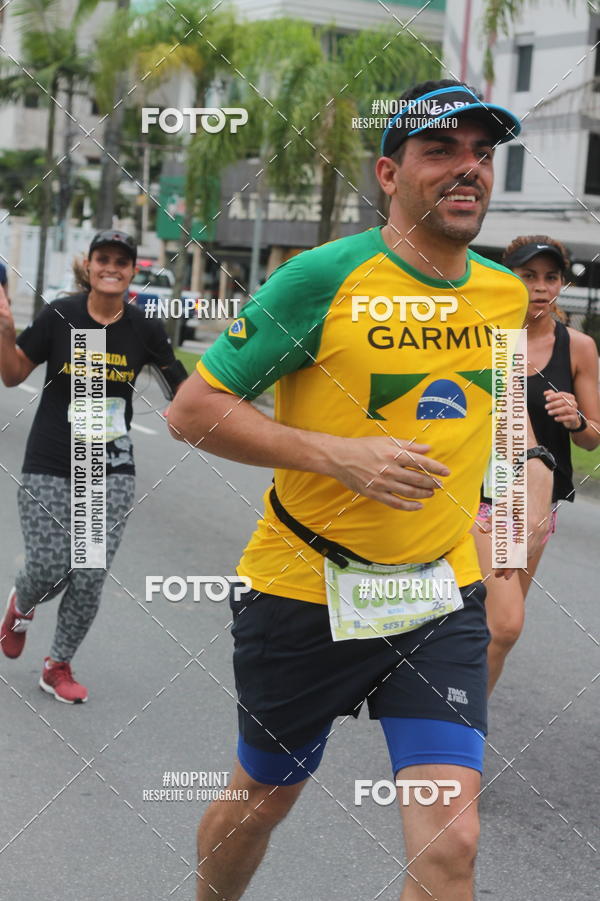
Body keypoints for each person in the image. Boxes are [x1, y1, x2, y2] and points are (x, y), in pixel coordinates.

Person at [168, 79, 553, 901]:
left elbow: (501, 426)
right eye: (440, 150)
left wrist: (512, 531)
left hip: (437, 596)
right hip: (305, 590)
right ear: (388, 171)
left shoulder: (504, 293)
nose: (468, 169)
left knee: (453, 842)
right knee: (263, 799)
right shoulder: (320, 278)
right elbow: (192, 410)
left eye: (482, 153)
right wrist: (338, 456)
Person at [0, 230, 186, 702]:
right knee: (46, 566)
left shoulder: (144, 328)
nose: (112, 267)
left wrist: (186, 410)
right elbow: (13, 373)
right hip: (50, 460)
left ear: (131, 271)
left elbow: (182, 389)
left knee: (89, 570)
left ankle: (57, 664)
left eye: (121, 261)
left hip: (111, 465)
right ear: (90, 265)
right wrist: (3, 331)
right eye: (103, 258)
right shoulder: (61, 315)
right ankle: (22, 606)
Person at [473, 236, 600, 695]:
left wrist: (577, 418)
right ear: (508, 278)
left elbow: (592, 438)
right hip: (482, 497)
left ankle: (465, 720)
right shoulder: (485, 336)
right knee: (503, 625)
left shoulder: (579, 347)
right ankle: (458, 728)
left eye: (551, 277)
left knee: (494, 634)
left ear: (562, 284)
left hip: (538, 506)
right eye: (528, 276)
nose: (541, 287)